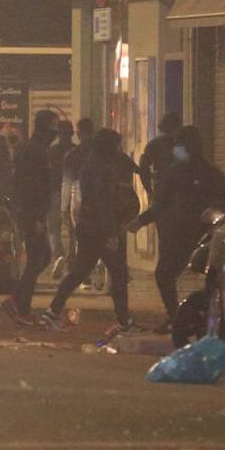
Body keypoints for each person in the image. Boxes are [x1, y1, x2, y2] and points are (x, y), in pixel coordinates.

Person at [129, 125, 225, 326]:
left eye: (180, 145)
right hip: (177, 234)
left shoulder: (208, 173)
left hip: (199, 236)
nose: (176, 150)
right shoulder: (175, 172)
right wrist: (141, 221)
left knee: (187, 278)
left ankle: (188, 318)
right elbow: (161, 204)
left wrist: (214, 211)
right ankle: (177, 317)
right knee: (165, 275)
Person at [38, 128, 144, 334]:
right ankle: (124, 322)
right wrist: (111, 233)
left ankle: (53, 312)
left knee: (84, 272)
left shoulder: (92, 164)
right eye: (116, 145)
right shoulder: (102, 168)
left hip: (90, 227)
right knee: (115, 275)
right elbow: (103, 203)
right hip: (99, 230)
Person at [1, 110, 60, 325]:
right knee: (38, 257)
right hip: (31, 213)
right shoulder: (35, 151)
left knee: (42, 257)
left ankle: (18, 299)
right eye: (52, 127)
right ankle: (21, 306)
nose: (55, 132)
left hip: (30, 212)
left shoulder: (34, 148)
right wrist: (36, 218)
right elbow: (32, 187)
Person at [60, 117, 95, 262]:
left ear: (79, 133)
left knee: (77, 234)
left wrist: (63, 208)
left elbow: (67, 183)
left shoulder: (73, 155)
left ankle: (77, 263)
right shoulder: (100, 152)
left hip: (78, 197)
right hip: (98, 198)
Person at [46, 119, 76, 277]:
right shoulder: (76, 150)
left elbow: (46, 173)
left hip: (55, 191)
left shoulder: (52, 151)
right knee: (73, 229)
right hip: (74, 192)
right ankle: (70, 261)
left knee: (53, 228)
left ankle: (59, 256)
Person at [139, 111, 182, 198]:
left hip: (160, 188)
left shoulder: (154, 144)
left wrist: (148, 189)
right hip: (179, 189)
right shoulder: (183, 144)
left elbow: (143, 167)